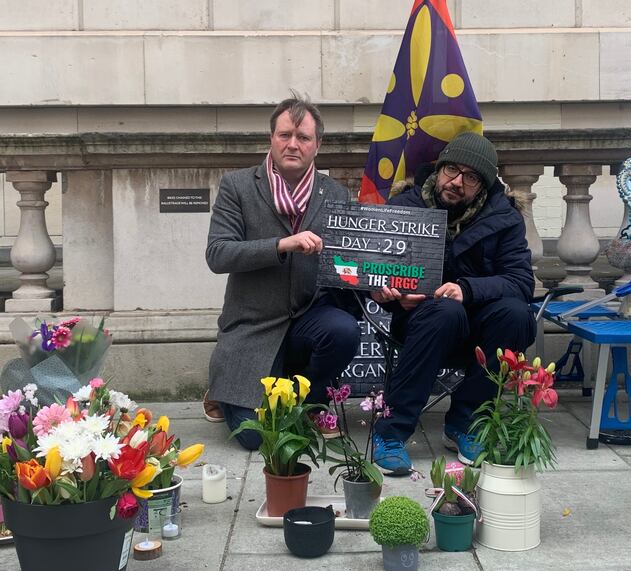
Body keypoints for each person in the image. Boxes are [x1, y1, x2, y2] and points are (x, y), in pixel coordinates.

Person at [370, 132, 536, 475]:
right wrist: (387, 293)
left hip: (481, 330)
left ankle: (465, 424)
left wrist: (467, 289)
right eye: (451, 170)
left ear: (485, 186)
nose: (457, 182)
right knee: (444, 312)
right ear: (438, 169)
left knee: (518, 315)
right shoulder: (405, 208)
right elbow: (376, 274)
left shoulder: (504, 218)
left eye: (471, 177)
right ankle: (392, 431)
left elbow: (521, 283)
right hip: (422, 323)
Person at [205, 95, 361, 449]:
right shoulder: (238, 186)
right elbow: (218, 254)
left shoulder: (334, 192)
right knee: (255, 438)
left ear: (317, 145)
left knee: (343, 329)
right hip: (253, 328)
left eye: (303, 137)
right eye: (285, 135)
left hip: (308, 320)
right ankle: (224, 386)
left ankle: (309, 403)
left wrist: (376, 282)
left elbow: (346, 260)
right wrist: (282, 244)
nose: (293, 144)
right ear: (271, 139)